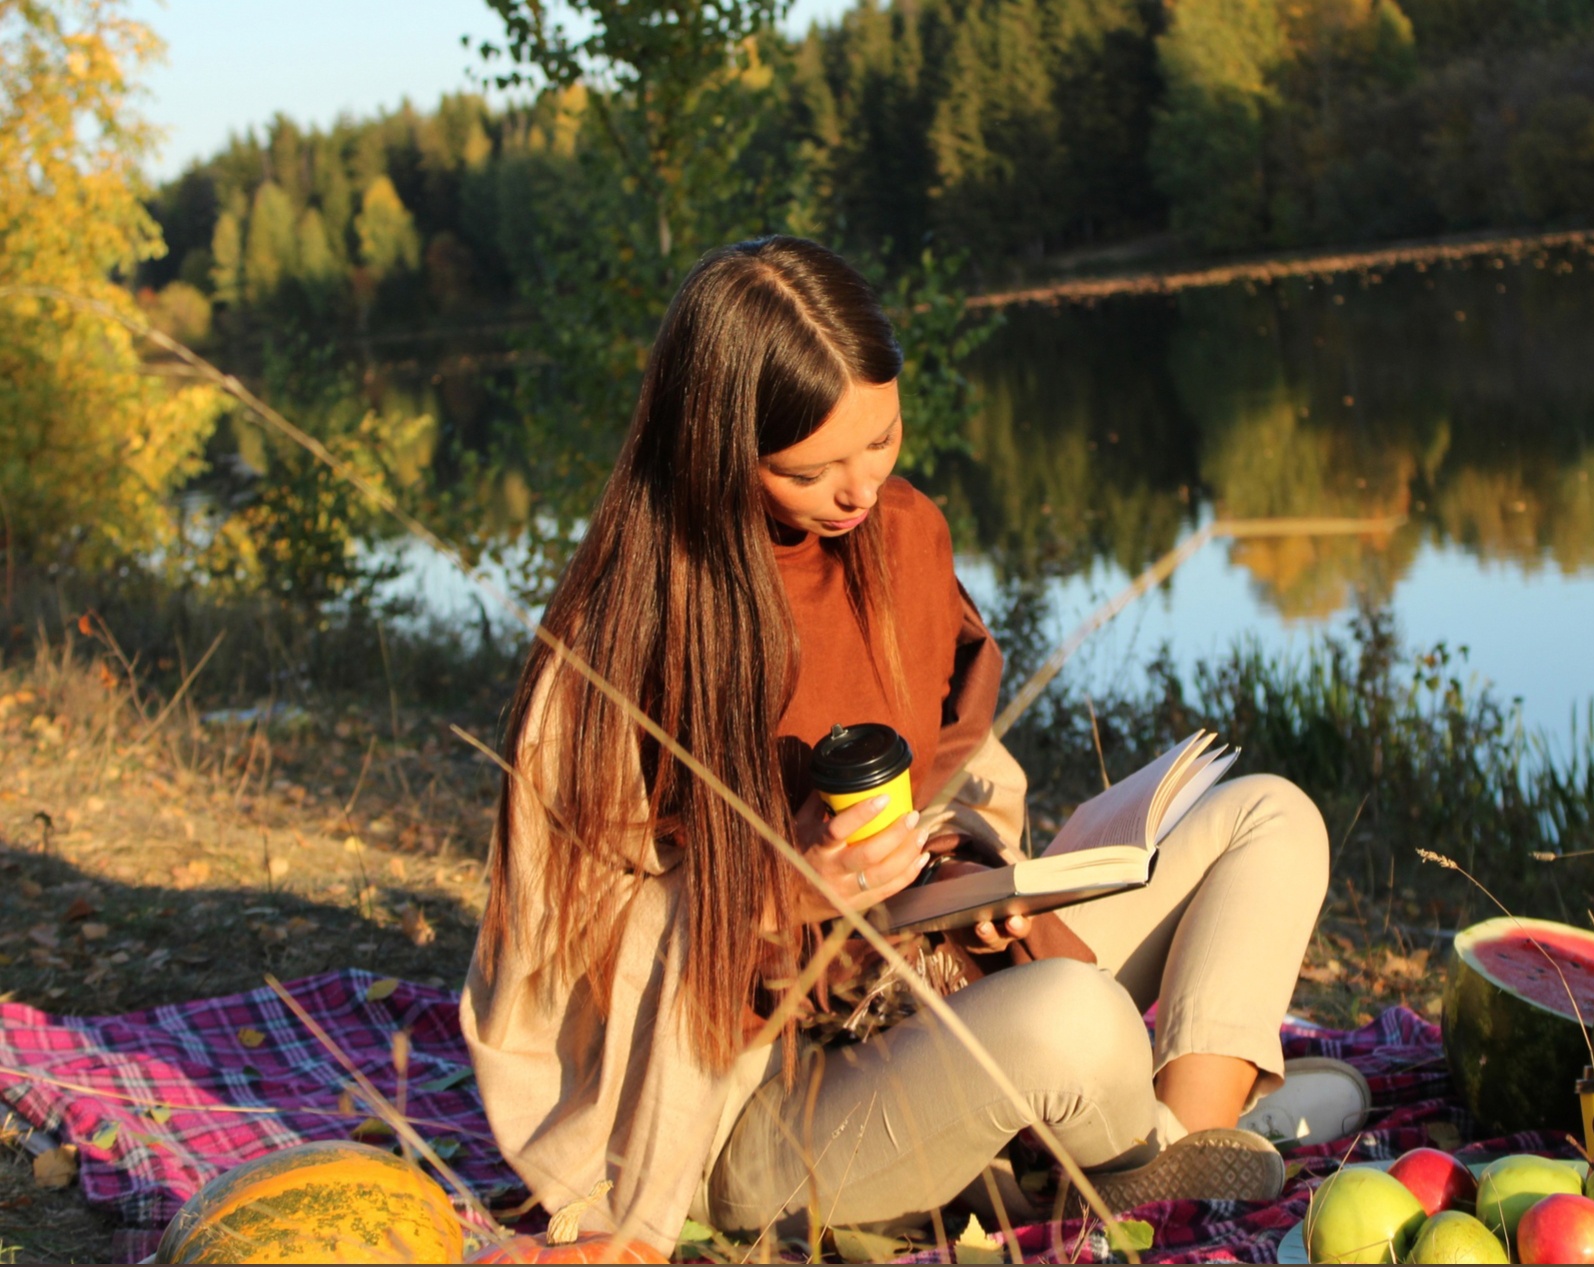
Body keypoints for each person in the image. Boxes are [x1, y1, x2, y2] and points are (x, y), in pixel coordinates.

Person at [462, 237, 1343, 1257]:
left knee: (1273, 817)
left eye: (878, 441)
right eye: (810, 468)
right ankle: (1149, 1157)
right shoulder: (620, 652)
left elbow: (956, 770)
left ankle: (1180, 1144)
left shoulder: (901, 537)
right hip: (764, 1104)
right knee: (1076, 1017)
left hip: (946, 977)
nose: (857, 491)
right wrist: (784, 892)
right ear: (713, 450)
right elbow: (560, 957)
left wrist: (987, 880)